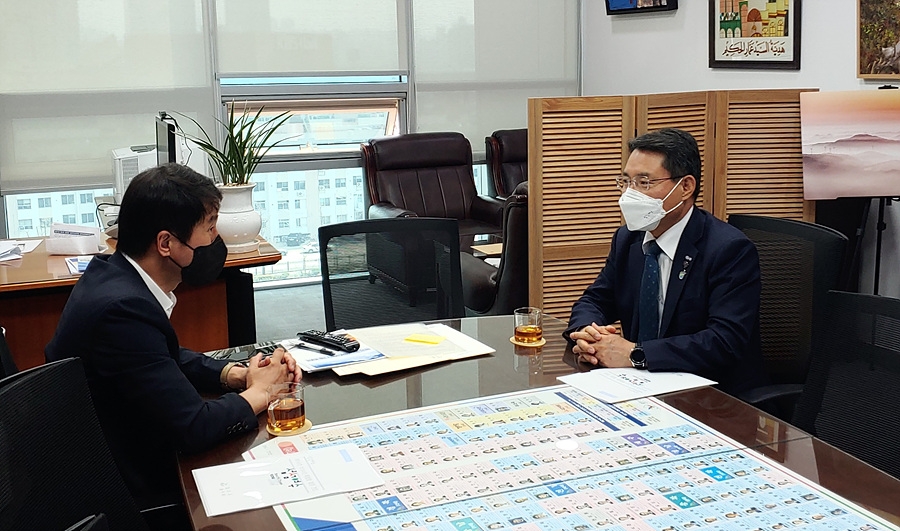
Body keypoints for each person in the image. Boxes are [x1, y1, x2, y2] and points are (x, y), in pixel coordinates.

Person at [45, 163, 301, 515]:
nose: (214, 240)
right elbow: (193, 427)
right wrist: (261, 392)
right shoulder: (123, 309)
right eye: (209, 228)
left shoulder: (111, 274)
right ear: (166, 243)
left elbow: (158, 357)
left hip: (110, 456)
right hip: (128, 490)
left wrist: (233, 374)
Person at [564, 128, 765, 395]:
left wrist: (638, 354)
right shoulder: (628, 239)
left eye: (644, 182)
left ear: (685, 187)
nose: (629, 194)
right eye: (626, 182)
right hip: (637, 386)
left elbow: (723, 341)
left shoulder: (728, 249)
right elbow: (594, 299)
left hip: (711, 396)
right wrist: (589, 335)